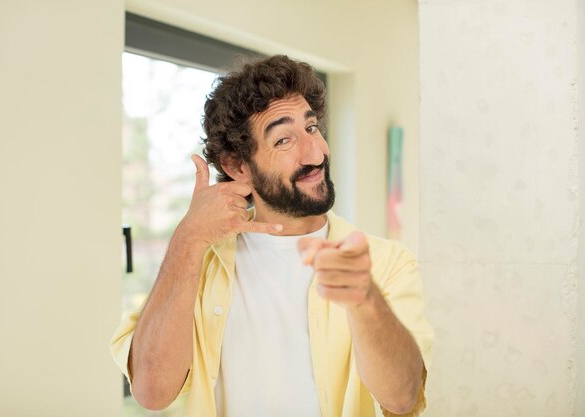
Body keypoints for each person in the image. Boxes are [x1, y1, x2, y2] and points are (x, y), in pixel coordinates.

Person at [111, 55, 433, 417]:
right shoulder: (198, 265)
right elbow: (152, 391)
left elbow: (404, 399)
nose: (316, 152)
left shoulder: (386, 263)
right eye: (284, 140)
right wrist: (187, 238)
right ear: (238, 167)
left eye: (311, 128)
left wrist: (366, 300)